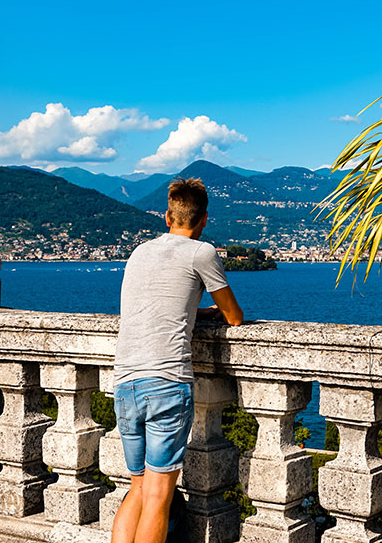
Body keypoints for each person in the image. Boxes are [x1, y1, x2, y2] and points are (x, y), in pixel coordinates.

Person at [112, 177, 243, 543]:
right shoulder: (202, 252)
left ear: (167, 216)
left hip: (125, 384)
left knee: (137, 489)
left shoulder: (139, 251)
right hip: (166, 383)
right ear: (203, 220)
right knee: (158, 497)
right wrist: (211, 313)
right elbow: (233, 316)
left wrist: (193, 313)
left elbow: (157, 305)